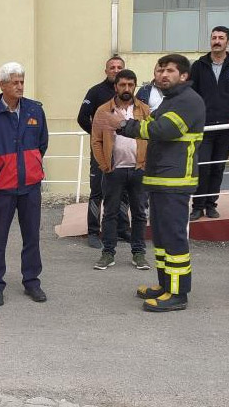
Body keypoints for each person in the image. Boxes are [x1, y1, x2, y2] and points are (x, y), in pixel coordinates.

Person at [109, 54, 205, 312]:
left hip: (175, 181)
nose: (163, 74)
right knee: (162, 239)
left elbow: (162, 130)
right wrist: (131, 126)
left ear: (183, 76)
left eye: (170, 71)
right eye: (160, 70)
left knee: (174, 240)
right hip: (161, 180)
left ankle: (177, 294)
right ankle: (165, 286)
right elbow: (153, 125)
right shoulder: (170, 101)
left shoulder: (188, 101)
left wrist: (125, 126)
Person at [0, 62, 49, 306]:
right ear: (2, 85)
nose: (20, 86)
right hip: (2, 188)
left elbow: (42, 144)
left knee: (32, 236)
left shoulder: (35, 111)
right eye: (14, 82)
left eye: (21, 81)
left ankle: (32, 282)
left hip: (30, 186)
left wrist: (31, 167)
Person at [189, 26, 229, 220]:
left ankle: (211, 205)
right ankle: (198, 206)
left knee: (218, 167)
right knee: (203, 165)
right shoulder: (199, 65)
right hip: (205, 126)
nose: (216, 41)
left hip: (226, 126)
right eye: (214, 37)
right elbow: (190, 94)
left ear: (228, 42)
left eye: (221, 38)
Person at [90, 69, 149, 271]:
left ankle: (139, 253)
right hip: (113, 170)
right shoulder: (103, 111)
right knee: (110, 213)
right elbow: (96, 140)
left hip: (138, 169)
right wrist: (104, 164)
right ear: (115, 87)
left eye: (130, 85)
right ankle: (108, 253)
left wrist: (146, 163)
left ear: (135, 87)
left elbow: (151, 137)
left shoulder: (144, 110)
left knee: (140, 213)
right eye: (122, 85)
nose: (126, 89)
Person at [77, 55, 131, 248]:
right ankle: (93, 232)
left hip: (124, 151)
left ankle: (123, 230)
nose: (115, 70)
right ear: (106, 70)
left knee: (124, 191)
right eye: (112, 67)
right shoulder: (95, 92)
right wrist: (98, 136)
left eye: (119, 67)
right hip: (101, 151)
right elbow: (82, 117)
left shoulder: (129, 93)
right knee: (97, 191)